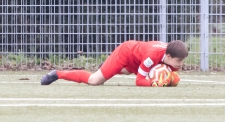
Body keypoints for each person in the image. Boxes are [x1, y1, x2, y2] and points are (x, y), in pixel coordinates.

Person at [41, 40, 188, 87]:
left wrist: (171, 79)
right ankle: (57, 74)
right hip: (125, 54)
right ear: (168, 56)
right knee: (94, 81)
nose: (180, 64)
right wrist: (154, 84)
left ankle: (107, 68)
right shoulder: (151, 57)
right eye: (178, 61)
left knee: (125, 71)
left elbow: (168, 74)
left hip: (137, 61)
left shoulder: (170, 54)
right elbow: (139, 81)